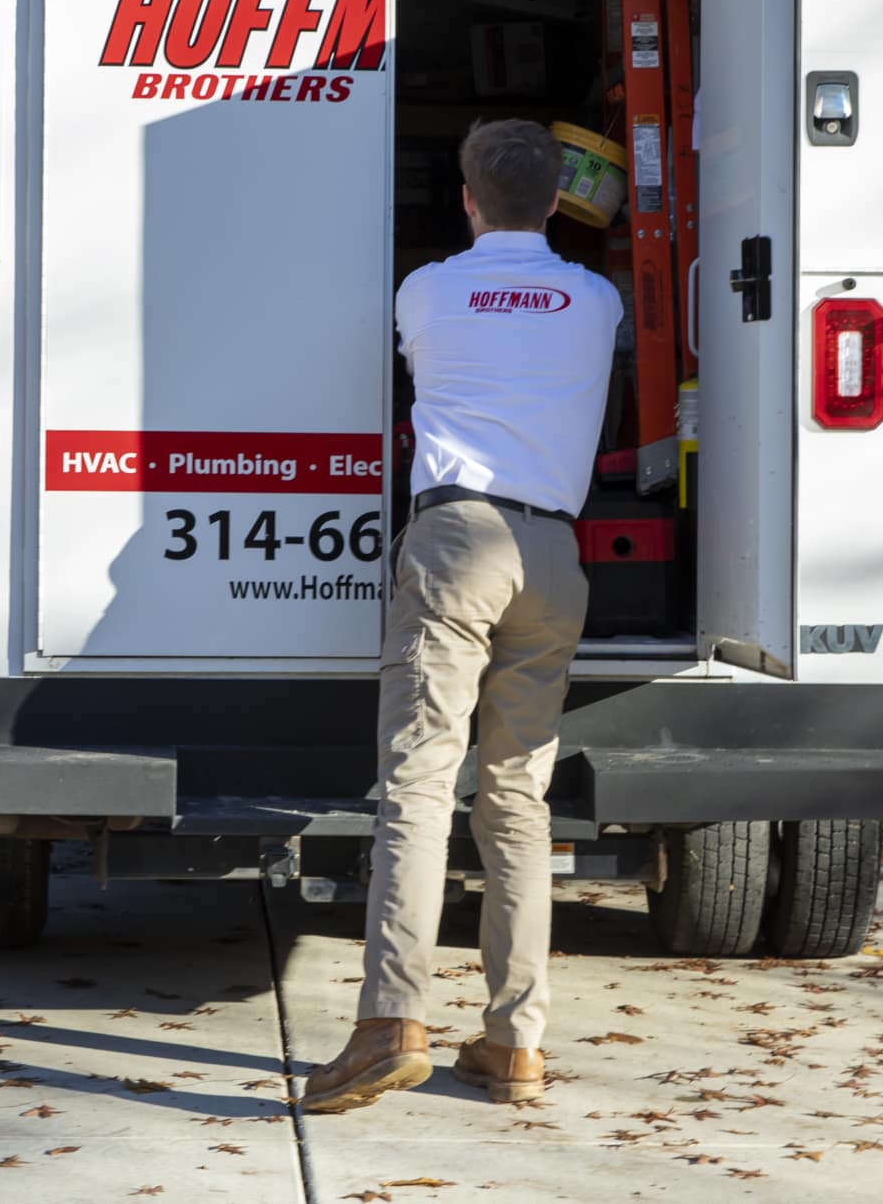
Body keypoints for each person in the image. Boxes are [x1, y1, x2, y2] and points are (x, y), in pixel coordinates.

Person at [302, 118, 623, 1114]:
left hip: (457, 544)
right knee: (517, 801)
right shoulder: (598, 299)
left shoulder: (427, 289)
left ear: (468, 199)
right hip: (552, 557)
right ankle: (514, 1045)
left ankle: (391, 1023)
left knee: (418, 785)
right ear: (560, 198)